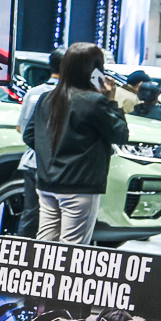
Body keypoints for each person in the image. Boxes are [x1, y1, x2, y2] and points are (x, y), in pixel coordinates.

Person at [23, 43, 128, 246]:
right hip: (79, 185)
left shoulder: (46, 98)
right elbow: (120, 135)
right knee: (72, 250)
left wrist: (52, 154)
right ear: (95, 70)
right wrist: (112, 101)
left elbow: (29, 136)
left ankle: (41, 269)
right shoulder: (94, 101)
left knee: (45, 245)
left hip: (47, 183)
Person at [16, 47, 64, 238]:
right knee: (58, 217)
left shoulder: (33, 92)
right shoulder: (69, 96)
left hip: (33, 161)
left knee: (31, 213)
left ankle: (22, 252)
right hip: (59, 165)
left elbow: (21, 128)